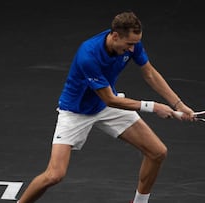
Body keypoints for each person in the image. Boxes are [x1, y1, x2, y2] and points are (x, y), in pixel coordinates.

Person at [17, 11, 195, 203]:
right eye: (129, 44)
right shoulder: (89, 55)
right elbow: (110, 99)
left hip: (105, 105)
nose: (133, 49)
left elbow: (150, 73)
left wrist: (179, 104)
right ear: (115, 36)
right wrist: (153, 107)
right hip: (76, 111)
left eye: (135, 44)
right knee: (54, 175)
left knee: (157, 152)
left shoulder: (131, 44)